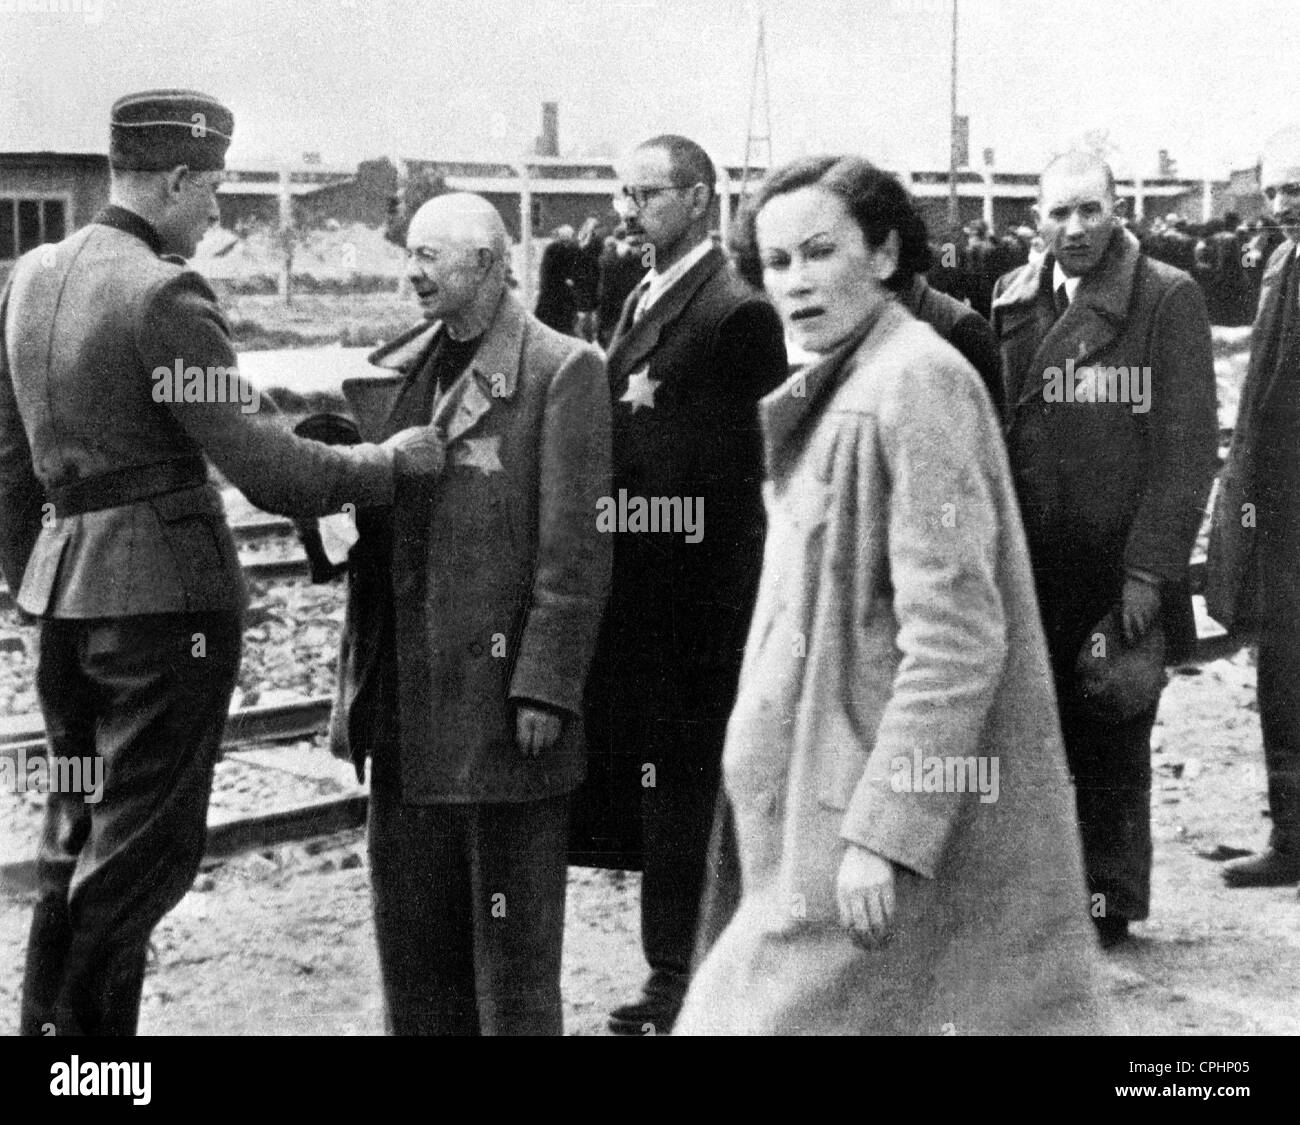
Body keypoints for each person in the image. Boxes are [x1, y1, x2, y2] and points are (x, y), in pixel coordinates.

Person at [0, 89, 444, 1036]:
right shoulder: (164, 296)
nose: (216, 213)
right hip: (167, 618)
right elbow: (269, 467)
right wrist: (386, 464)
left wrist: (34, 582)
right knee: (136, 856)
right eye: (213, 190)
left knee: (71, 834)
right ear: (174, 178)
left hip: (66, 607)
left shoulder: (32, 275)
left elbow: (7, 461)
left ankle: (51, 1045)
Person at [675, 155, 1102, 1035]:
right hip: (821, 805)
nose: (794, 282)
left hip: (861, 821)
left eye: (820, 251)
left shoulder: (913, 381)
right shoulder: (857, 376)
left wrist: (886, 831)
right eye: (777, 262)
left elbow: (956, 636)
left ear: (883, 252)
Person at [328, 193, 611, 1035]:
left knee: (510, 960)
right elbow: (373, 518)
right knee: (413, 951)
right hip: (404, 706)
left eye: (432, 257)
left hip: (498, 711)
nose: (412, 273)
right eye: (409, 254)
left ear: (487, 264)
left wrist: (547, 687)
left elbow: (579, 547)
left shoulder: (563, 369)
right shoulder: (404, 368)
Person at [578, 134, 787, 1034]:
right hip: (652, 599)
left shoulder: (738, 313)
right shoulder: (647, 293)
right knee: (666, 793)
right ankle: (677, 972)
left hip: (699, 608)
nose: (626, 210)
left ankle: (691, 983)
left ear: (702, 199)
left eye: (646, 194)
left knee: (692, 797)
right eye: (622, 193)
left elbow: (744, 486)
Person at [991, 152, 1219, 946]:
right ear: (1038, 221)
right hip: (1034, 555)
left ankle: (1108, 900)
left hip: (1115, 561)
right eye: (1059, 213)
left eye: (1091, 210)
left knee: (1113, 719)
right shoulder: (1015, 298)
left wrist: (1150, 570)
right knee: (1033, 720)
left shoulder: (1165, 298)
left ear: (1119, 209)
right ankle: (1045, 888)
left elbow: (1187, 450)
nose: (1076, 228)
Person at [1208, 126, 1300, 889]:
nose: (1284, 204)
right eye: (1275, 190)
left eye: (1297, 189)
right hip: (1281, 509)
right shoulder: (1279, 261)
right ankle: (1293, 836)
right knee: (1283, 671)